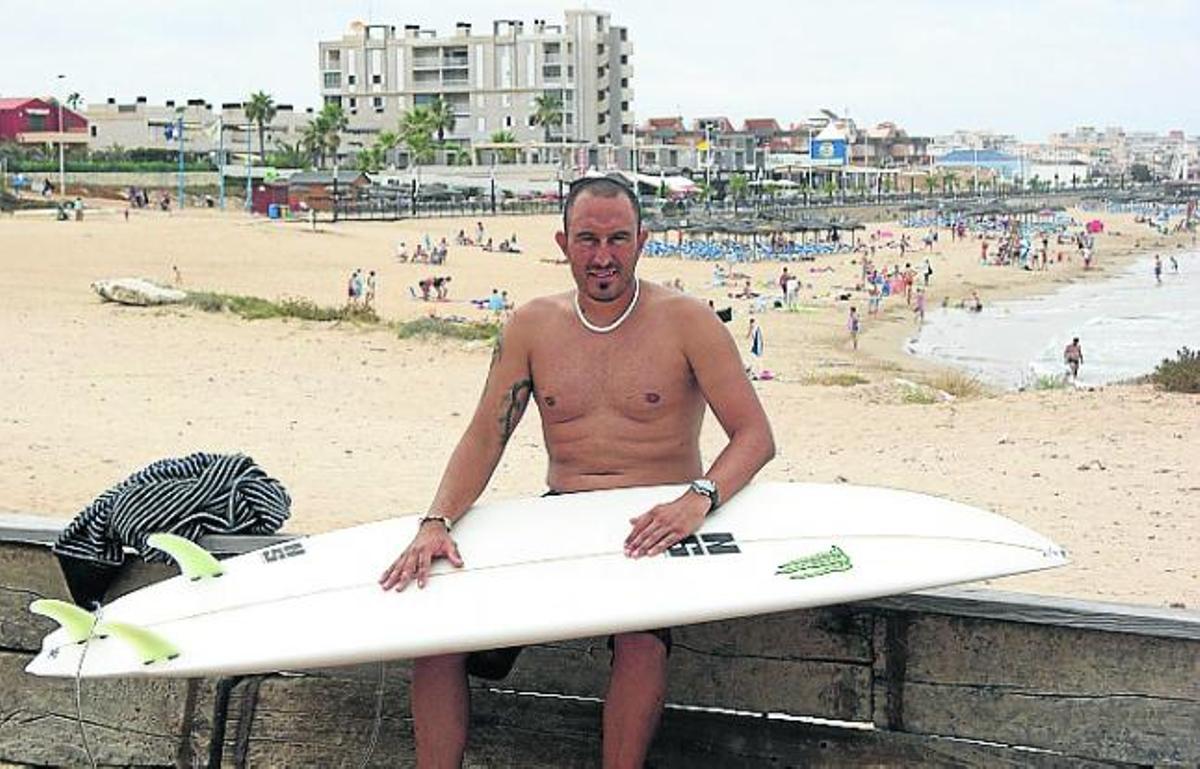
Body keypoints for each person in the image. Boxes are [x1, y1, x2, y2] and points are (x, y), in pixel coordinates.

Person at [379, 176, 775, 767]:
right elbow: (487, 433)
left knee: (642, 644)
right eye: (588, 239)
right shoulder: (532, 327)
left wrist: (698, 499)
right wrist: (436, 520)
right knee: (440, 637)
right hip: (559, 517)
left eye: (618, 238)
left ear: (643, 240)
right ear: (563, 243)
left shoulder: (689, 322)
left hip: (652, 522)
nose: (603, 256)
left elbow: (755, 437)